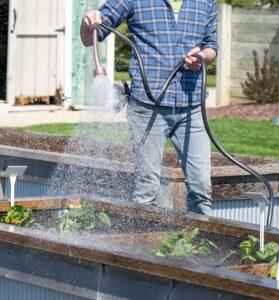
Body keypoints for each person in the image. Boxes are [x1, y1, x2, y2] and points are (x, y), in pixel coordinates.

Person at [80, 0, 218, 216]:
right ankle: (142, 244)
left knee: (201, 187)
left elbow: (212, 46)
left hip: (192, 105)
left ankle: (201, 244)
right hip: (146, 106)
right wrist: (87, 22)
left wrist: (202, 56)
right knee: (147, 188)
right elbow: (90, 39)